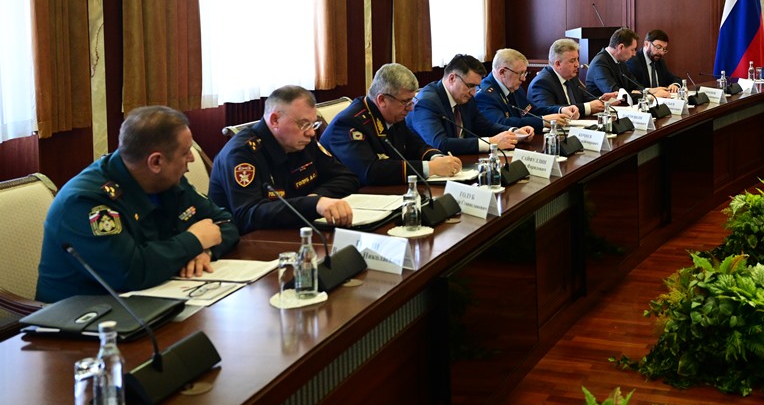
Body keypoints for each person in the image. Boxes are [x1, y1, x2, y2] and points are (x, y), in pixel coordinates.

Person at [36, 106, 240, 303]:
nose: (192, 158)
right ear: (156, 162)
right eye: (185, 152)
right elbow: (130, 272)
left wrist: (204, 251)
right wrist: (194, 240)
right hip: (83, 315)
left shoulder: (167, 181)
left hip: (154, 298)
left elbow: (225, 221)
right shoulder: (87, 202)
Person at [209, 85, 359, 233]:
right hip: (249, 240)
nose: (311, 133)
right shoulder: (241, 154)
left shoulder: (302, 142)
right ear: (275, 120)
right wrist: (312, 204)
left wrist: (316, 197)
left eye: (313, 124)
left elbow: (346, 177)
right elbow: (248, 215)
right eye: (304, 124)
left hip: (294, 229)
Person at [321, 63, 463, 186]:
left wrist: (437, 158)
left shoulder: (393, 115)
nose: (410, 108)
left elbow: (415, 145)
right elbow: (369, 172)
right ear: (382, 100)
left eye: (412, 101)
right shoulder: (348, 124)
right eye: (405, 102)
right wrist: (430, 168)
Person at [406, 54, 526, 155]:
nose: (473, 92)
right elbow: (440, 144)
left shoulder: (465, 97)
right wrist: (491, 142)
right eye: (470, 86)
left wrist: (513, 132)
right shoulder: (427, 103)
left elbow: (485, 126)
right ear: (452, 78)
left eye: (476, 86)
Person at [476, 48, 579, 133]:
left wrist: (560, 110)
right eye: (520, 73)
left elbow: (531, 111)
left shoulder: (514, 87)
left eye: (524, 73)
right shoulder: (485, 95)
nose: (523, 79)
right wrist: (542, 121)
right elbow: (501, 123)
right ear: (502, 72)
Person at [527, 38, 610, 118]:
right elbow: (549, 110)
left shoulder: (570, 77)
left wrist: (602, 100)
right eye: (572, 61)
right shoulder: (542, 83)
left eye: (577, 59)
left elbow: (584, 98)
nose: (577, 64)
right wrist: (587, 107)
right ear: (558, 64)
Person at [587, 26, 668, 101]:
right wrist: (651, 97)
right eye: (632, 50)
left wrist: (650, 91)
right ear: (621, 47)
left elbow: (633, 85)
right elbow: (616, 94)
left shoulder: (620, 61)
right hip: (603, 110)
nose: (634, 54)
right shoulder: (599, 64)